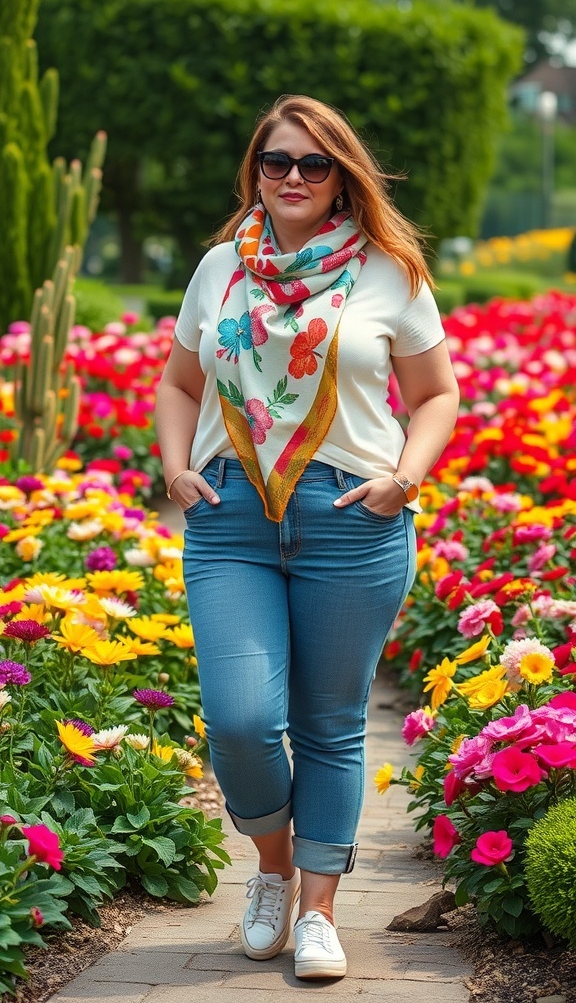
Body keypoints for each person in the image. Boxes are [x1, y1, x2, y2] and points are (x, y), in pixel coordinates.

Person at [154, 93, 459, 980]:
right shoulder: (220, 269)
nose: (292, 177)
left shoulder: (391, 272)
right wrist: (177, 467)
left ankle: (319, 913)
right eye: (276, 162)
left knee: (329, 726)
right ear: (255, 171)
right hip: (231, 519)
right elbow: (177, 383)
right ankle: (275, 871)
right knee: (241, 720)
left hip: (349, 519)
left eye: (313, 165)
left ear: (342, 179)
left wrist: (404, 480)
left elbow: (436, 395)